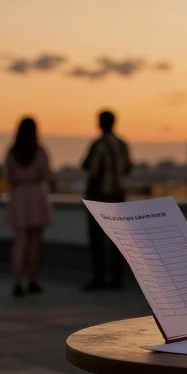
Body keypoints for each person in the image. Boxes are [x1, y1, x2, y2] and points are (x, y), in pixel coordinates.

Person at [81, 109, 132, 290]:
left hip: (99, 197)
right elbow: (127, 167)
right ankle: (117, 278)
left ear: (101, 123)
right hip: (118, 197)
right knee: (118, 240)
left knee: (97, 240)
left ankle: (100, 278)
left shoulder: (98, 144)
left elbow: (89, 167)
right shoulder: (122, 144)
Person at [4, 116, 54, 297]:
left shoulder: (12, 152)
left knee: (19, 241)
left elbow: (7, 177)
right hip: (35, 195)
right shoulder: (39, 151)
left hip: (19, 195)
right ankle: (33, 280)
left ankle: (17, 282)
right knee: (34, 242)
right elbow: (47, 174)